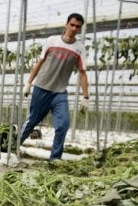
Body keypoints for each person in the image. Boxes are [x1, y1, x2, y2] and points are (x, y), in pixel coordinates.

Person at [19, 13, 89, 162]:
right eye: (72, 25)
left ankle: (54, 160)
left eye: (78, 27)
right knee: (32, 121)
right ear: (66, 24)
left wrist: (85, 97)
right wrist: (28, 83)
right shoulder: (52, 41)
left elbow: (82, 73)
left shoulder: (79, 49)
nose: (74, 28)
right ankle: (12, 147)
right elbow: (39, 62)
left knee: (63, 124)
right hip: (41, 88)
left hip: (59, 93)